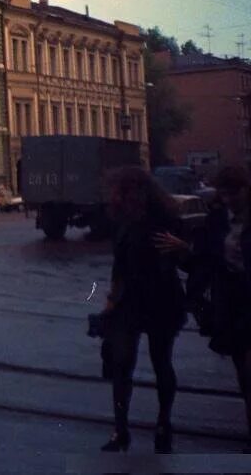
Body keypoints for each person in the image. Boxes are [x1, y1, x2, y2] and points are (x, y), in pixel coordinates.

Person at [156, 165, 251, 452]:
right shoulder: (219, 220)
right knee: (243, 374)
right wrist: (184, 250)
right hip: (233, 303)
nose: (230, 198)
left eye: (235, 192)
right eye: (224, 192)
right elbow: (205, 262)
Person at [100, 166, 186, 454]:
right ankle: (122, 429)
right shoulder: (125, 218)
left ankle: (161, 423)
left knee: (156, 361)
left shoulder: (160, 218)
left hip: (158, 297)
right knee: (124, 364)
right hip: (135, 300)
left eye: (120, 191)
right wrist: (112, 297)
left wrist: (182, 249)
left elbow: (182, 258)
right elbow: (119, 262)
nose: (115, 196)